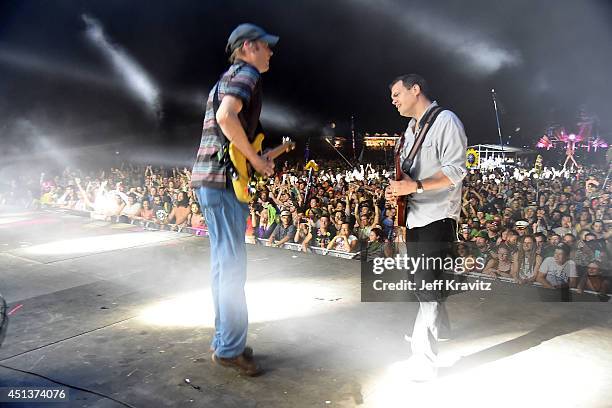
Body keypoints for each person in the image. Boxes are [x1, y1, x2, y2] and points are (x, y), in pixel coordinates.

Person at [190, 23, 278, 376]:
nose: (271, 52)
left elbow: (227, 127)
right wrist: (256, 160)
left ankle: (225, 340)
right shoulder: (247, 74)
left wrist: (254, 154)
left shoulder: (225, 77)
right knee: (232, 267)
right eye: (266, 47)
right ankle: (229, 348)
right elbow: (227, 117)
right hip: (222, 182)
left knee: (222, 264)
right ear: (248, 47)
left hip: (208, 180)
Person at [386, 74, 467, 381]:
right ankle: (437, 328)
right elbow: (406, 174)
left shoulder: (446, 120)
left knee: (427, 288)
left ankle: (424, 359)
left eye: (396, 93)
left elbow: (456, 170)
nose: (393, 100)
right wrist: (395, 189)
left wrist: (415, 186)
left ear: (415, 89)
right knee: (422, 283)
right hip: (414, 217)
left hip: (437, 216)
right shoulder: (410, 129)